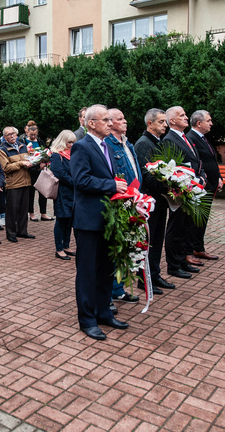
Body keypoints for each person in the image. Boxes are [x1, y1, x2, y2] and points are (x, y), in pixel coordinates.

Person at [72, 104, 129, 340]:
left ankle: (104, 312)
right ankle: (87, 319)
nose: (110, 123)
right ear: (91, 123)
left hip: (108, 218)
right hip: (88, 220)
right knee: (87, 271)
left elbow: (110, 176)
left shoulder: (107, 145)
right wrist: (111, 185)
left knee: (106, 269)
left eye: (110, 120)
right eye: (105, 120)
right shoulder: (81, 147)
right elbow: (81, 180)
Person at [134, 109, 175, 294]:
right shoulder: (144, 144)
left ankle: (155, 274)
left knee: (157, 240)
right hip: (150, 200)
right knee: (148, 241)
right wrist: (170, 186)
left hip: (160, 200)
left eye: (165, 122)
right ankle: (144, 278)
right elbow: (146, 176)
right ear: (149, 124)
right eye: (161, 122)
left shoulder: (158, 143)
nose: (165, 125)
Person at [162, 106, 205, 279]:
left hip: (192, 189)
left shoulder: (185, 138)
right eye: (182, 115)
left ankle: (182, 260)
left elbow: (196, 161)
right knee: (176, 228)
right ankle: (174, 264)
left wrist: (201, 178)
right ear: (172, 121)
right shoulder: (169, 139)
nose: (186, 117)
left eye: (185, 114)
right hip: (181, 192)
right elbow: (172, 167)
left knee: (186, 227)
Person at [106, 108, 141, 305]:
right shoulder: (109, 146)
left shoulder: (128, 143)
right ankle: (113, 289)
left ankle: (118, 288)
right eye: (120, 119)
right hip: (119, 201)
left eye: (124, 117)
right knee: (116, 248)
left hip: (134, 199)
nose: (125, 121)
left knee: (126, 247)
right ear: (109, 123)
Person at [187, 110, 222, 261]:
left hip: (210, 185)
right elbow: (197, 162)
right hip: (201, 186)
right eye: (209, 120)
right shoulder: (191, 138)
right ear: (199, 123)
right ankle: (193, 248)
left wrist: (219, 177)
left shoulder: (203, 138)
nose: (211, 123)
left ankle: (198, 247)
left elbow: (211, 160)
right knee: (196, 220)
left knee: (203, 220)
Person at [0, 126, 34, 243]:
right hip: (13, 184)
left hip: (26, 182)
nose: (12, 136)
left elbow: (30, 160)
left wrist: (36, 162)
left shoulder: (23, 146)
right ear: (4, 137)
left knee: (24, 209)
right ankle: (11, 233)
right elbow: (6, 167)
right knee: (12, 210)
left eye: (13, 133)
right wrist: (21, 163)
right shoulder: (2, 150)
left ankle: (22, 231)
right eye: (9, 134)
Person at [49, 131, 76, 260]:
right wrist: (75, 182)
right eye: (69, 142)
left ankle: (66, 245)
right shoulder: (56, 155)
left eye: (73, 142)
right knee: (61, 220)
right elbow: (59, 173)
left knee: (69, 220)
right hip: (62, 192)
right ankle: (59, 248)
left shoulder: (72, 154)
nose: (71, 144)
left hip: (72, 192)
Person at [22, 121, 52, 222]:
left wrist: (45, 162)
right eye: (31, 135)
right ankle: (31, 213)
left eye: (35, 134)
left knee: (43, 192)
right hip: (31, 170)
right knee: (31, 193)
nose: (33, 136)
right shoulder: (24, 142)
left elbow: (45, 152)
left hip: (41, 170)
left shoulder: (40, 142)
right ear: (27, 133)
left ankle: (43, 213)